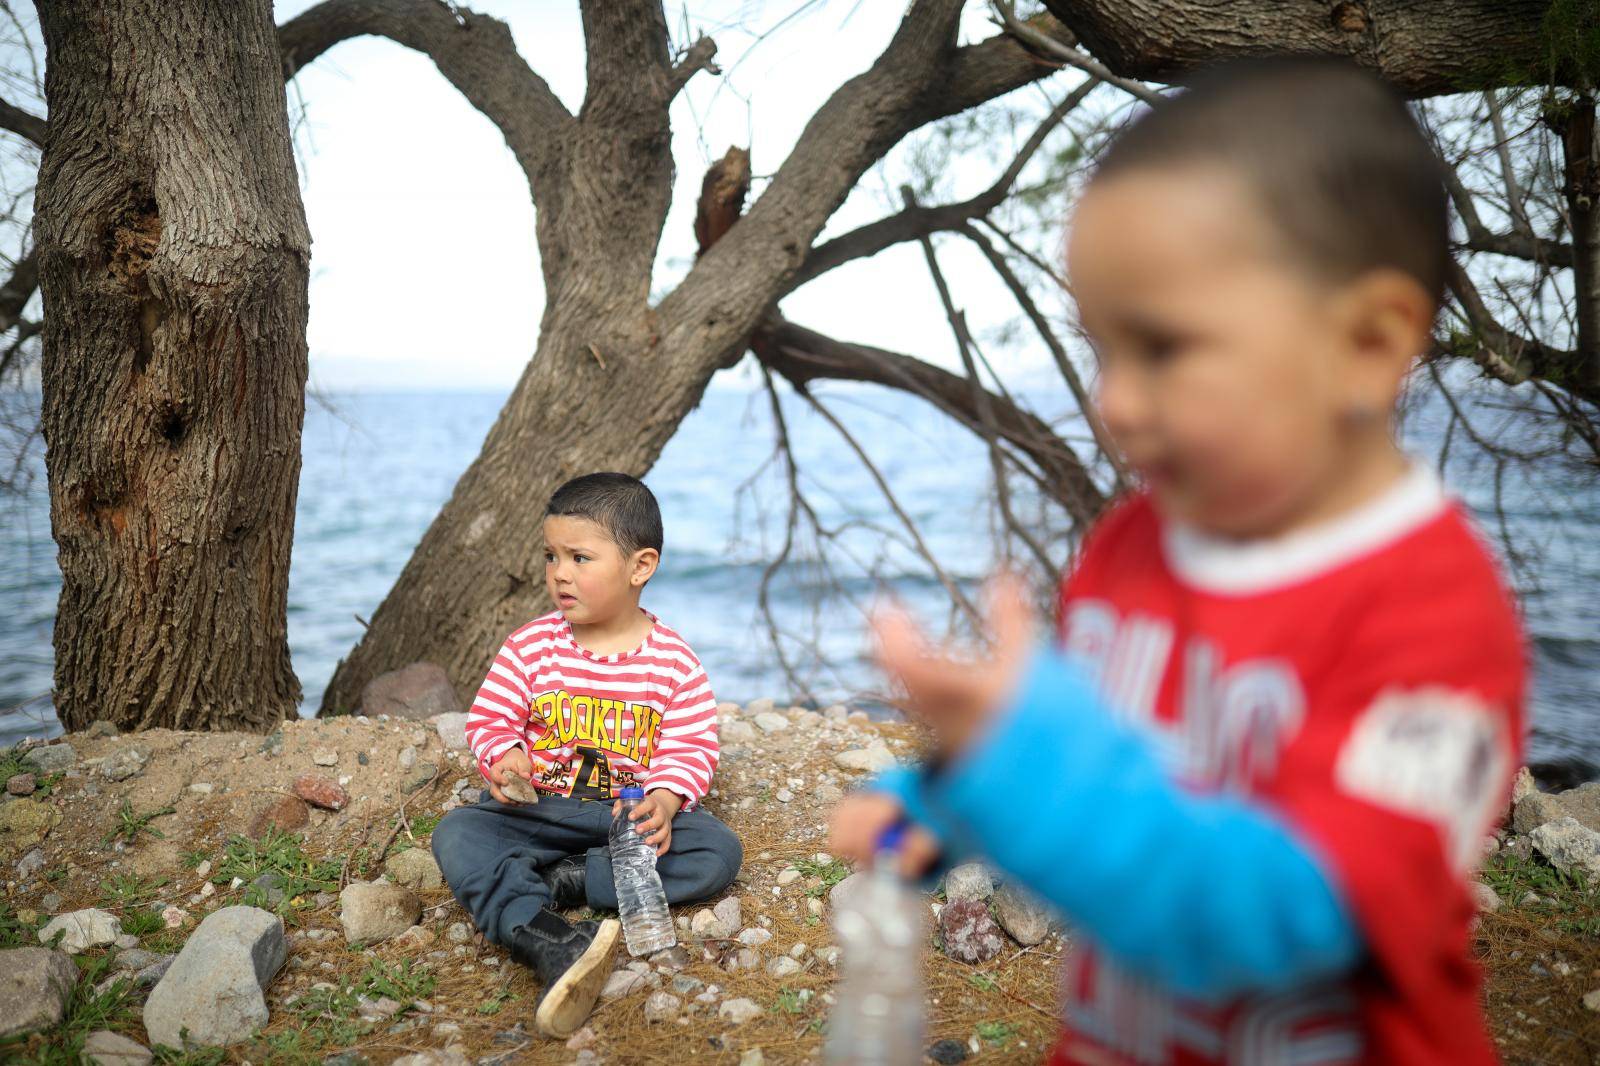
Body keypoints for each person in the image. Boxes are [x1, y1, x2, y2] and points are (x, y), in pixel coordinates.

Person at [831, 58, 1525, 1066]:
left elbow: (1282, 919)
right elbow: (1096, 744)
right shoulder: (1134, 544)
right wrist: (946, 796)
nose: (1110, 399)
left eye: (1159, 348)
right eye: (1102, 348)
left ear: (1368, 343)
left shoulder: (1432, 617)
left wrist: (1027, 763)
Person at [432, 472, 742, 1039]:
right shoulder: (531, 646)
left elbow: (691, 745)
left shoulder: (673, 663)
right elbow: (491, 719)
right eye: (551, 557)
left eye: (579, 557)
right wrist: (505, 759)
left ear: (640, 566)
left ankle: (569, 882)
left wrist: (667, 800)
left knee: (716, 851)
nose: (560, 574)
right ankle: (542, 934)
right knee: (458, 833)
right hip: (539, 810)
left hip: (626, 823)